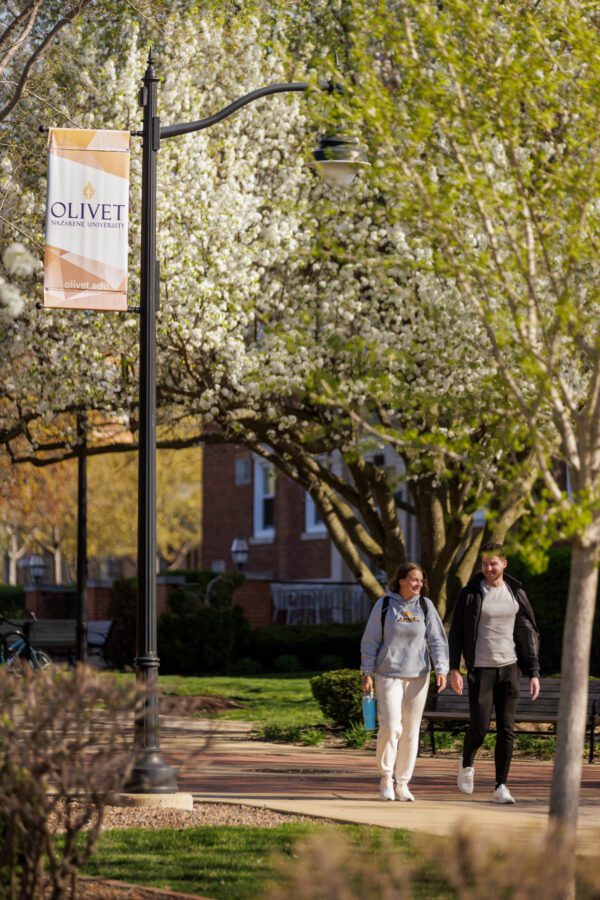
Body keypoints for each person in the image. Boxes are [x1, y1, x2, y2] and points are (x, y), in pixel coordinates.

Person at [448, 542, 540, 804]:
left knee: (507, 729)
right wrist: (455, 668)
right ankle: (467, 762)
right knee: (479, 727)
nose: (488, 568)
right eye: (485, 564)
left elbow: (527, 633)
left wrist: (533, 671)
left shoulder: (516, 592)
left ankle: (501, 785)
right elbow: (456, 632)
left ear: (504, 564)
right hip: (481, 669)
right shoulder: (470, 593)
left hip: (509, 667)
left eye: (493, 564)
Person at [360, 562, 449, 802]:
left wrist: (442, 669)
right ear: (401, 580)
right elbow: (370, 640)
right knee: (391, 726)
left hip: (419, 676)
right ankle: (386, 777)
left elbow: (437, 640)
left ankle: (403, 783)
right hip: (388, 674)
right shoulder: (385, 605)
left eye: (421, 580)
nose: (418, 584)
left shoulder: (425, 606)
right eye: (413, 579)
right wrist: (366, 671)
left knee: (411, 730)